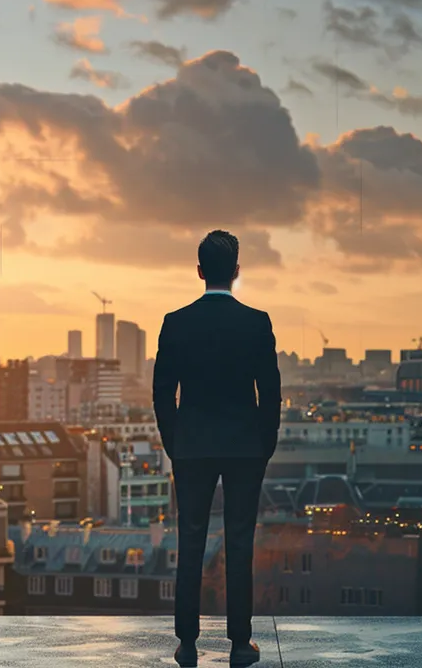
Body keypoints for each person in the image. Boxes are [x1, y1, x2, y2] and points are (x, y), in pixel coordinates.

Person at [153, 229, 281, 667]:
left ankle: (187, 642)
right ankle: (240, 643)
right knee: (240, 541)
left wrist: (175, 443)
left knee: (191, 539)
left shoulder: (176, 322)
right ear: (237, 272)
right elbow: (271, 393)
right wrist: (264, 445)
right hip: (245, 446)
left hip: (192, 446)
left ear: (200, 271)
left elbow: (162, 393)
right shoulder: (257, 321)